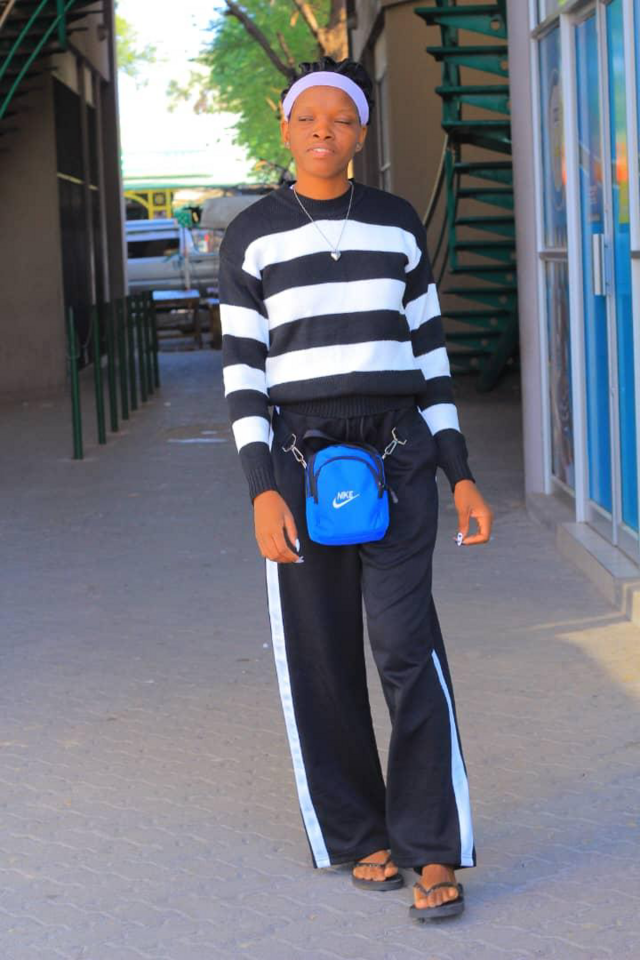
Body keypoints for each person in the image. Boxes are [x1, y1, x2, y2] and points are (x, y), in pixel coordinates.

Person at [219, 56, 493, 923]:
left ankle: (431, 843)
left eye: (340, 119)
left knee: (407, 648)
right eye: (308, 118)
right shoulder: (252, 235)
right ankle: (358, 831)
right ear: (286, 128)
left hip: (400, 453)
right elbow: (242, 374)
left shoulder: (397, 223)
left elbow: (432, 357)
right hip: (301, 464)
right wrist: (261, 489)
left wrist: (460, 473)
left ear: (361, 134)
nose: (323, 132)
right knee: (321, 652)